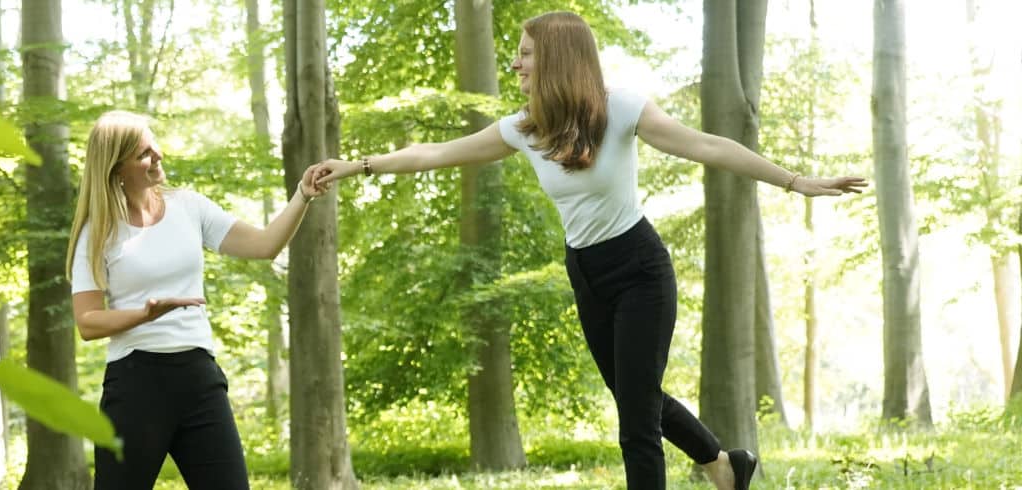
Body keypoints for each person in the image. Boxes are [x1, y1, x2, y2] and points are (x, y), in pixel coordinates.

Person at [304, 11, 867, 490]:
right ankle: (725, 466)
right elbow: (435, 154)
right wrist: (357, 165)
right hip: (587, 271)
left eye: (526, 55)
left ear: (556, 57)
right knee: (634, 394)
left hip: (641, 269)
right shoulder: (523, 129)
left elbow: (707, 146)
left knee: (635, 420)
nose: (517, 65)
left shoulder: (619, 108)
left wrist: (797, 181)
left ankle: (720, 467)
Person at [69, 110, 322, 489]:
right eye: (144, 154)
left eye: (155, 146)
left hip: (199, 378)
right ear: (117, 167)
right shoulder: (98, 231)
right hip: (135, 384)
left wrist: (302, 194)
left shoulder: (189, 207)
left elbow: (265, 244)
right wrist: (144, 315)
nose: (158, 156)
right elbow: (87, 322)